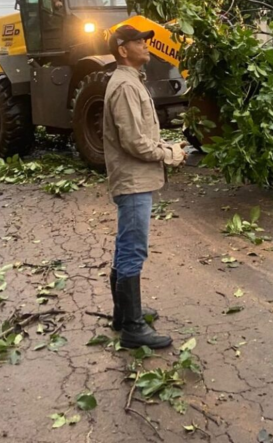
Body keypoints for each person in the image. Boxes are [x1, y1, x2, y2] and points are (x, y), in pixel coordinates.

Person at [103, 24, 186, 349]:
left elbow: (142, 135)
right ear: (123, 49)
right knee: (133, 249)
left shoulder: (130, 81)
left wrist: (168, 145)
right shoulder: (124, 86)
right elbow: (134, 142)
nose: (146, 46)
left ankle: (123, 314)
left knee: (126, 245)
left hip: (136, 178)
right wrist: (169, 154)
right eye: (139, 41)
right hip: (133, 180)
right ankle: (134, 329)